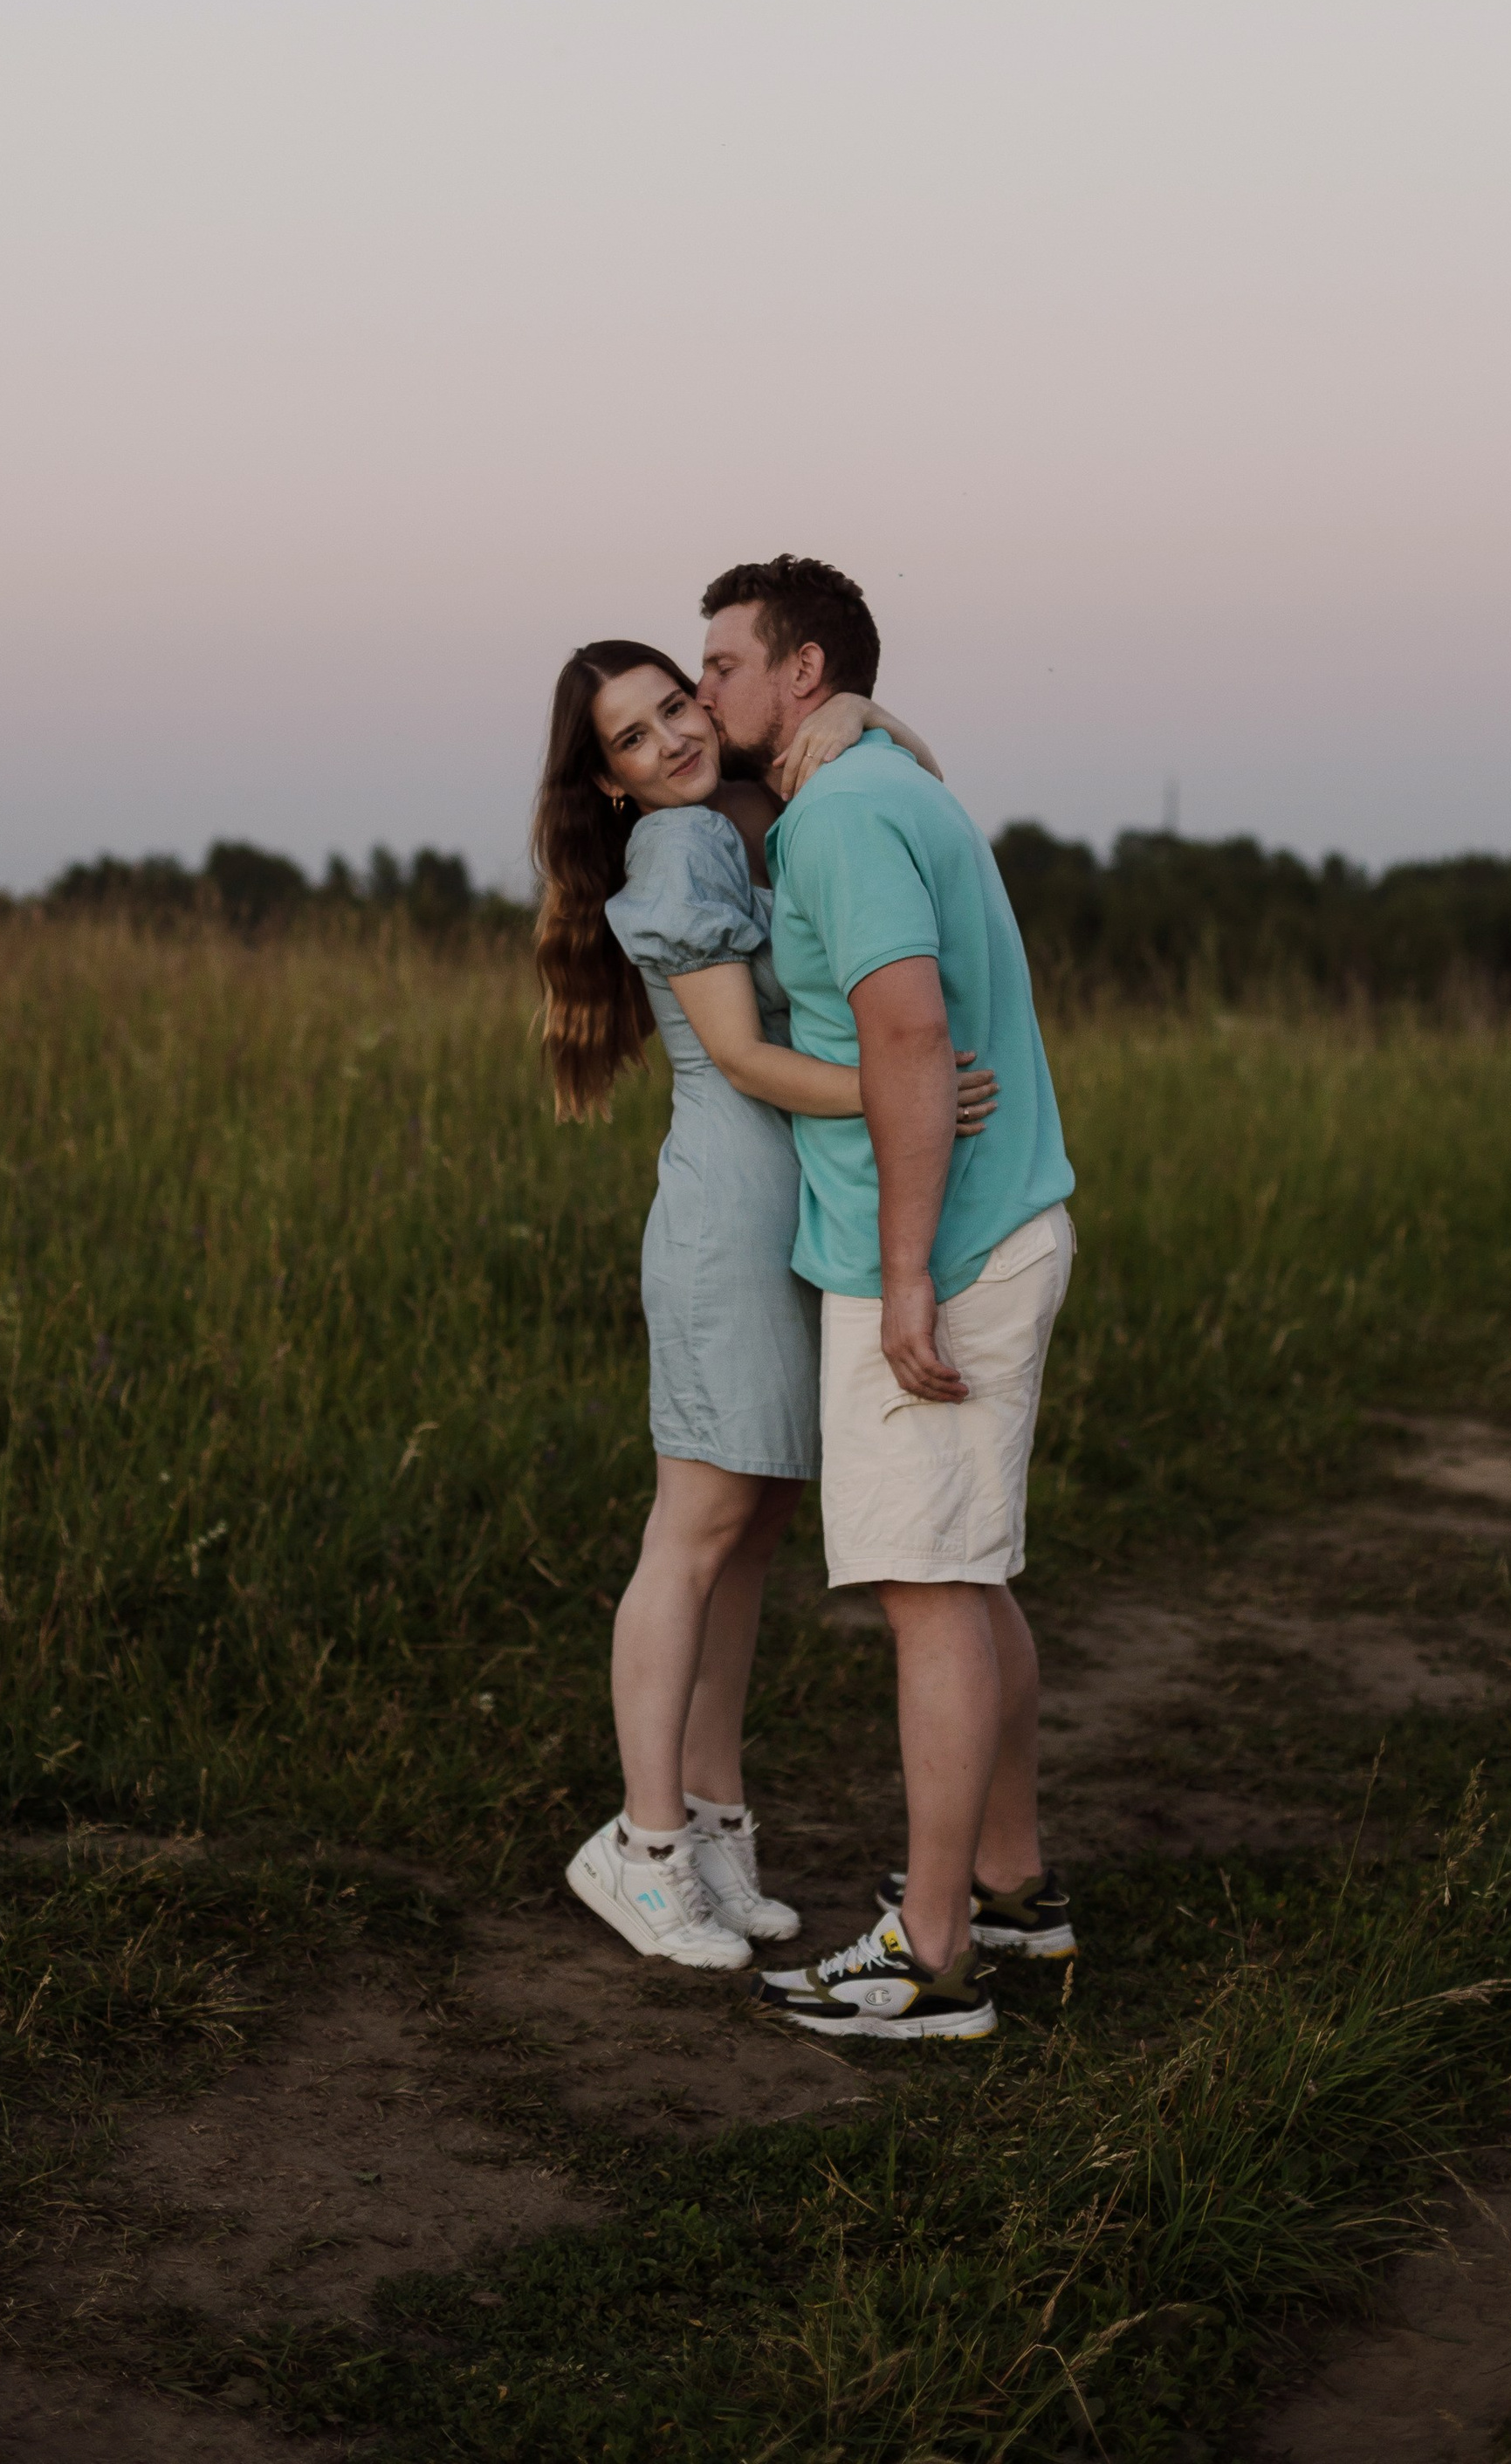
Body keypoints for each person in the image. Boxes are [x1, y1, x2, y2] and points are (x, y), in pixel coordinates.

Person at [532, 640, 995, 1970]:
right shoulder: (678, 855)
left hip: (778, 1220)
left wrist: (854, 706)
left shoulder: (746, 818)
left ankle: (718, 1824)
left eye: (678, 704)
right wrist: (902, 1095)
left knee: (750, 1532)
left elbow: (921, 775)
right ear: (609, 783)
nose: (673, 737)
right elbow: (740, 1055)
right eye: (633, 736)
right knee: (695, 1532)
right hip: (727, 1226)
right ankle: (644, 1845)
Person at [694, 555, 1076, 2047]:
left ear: (802, 674)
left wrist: (908, 1273)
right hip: (990, 1227)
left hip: (946, 1252)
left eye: (724, 659)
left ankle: (930, 1960)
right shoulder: (881, 785)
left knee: (929, 1594)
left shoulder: (844, 817)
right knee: (966, 1578)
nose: (703, 683)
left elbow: (907, 1036)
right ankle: (1010, 1888)